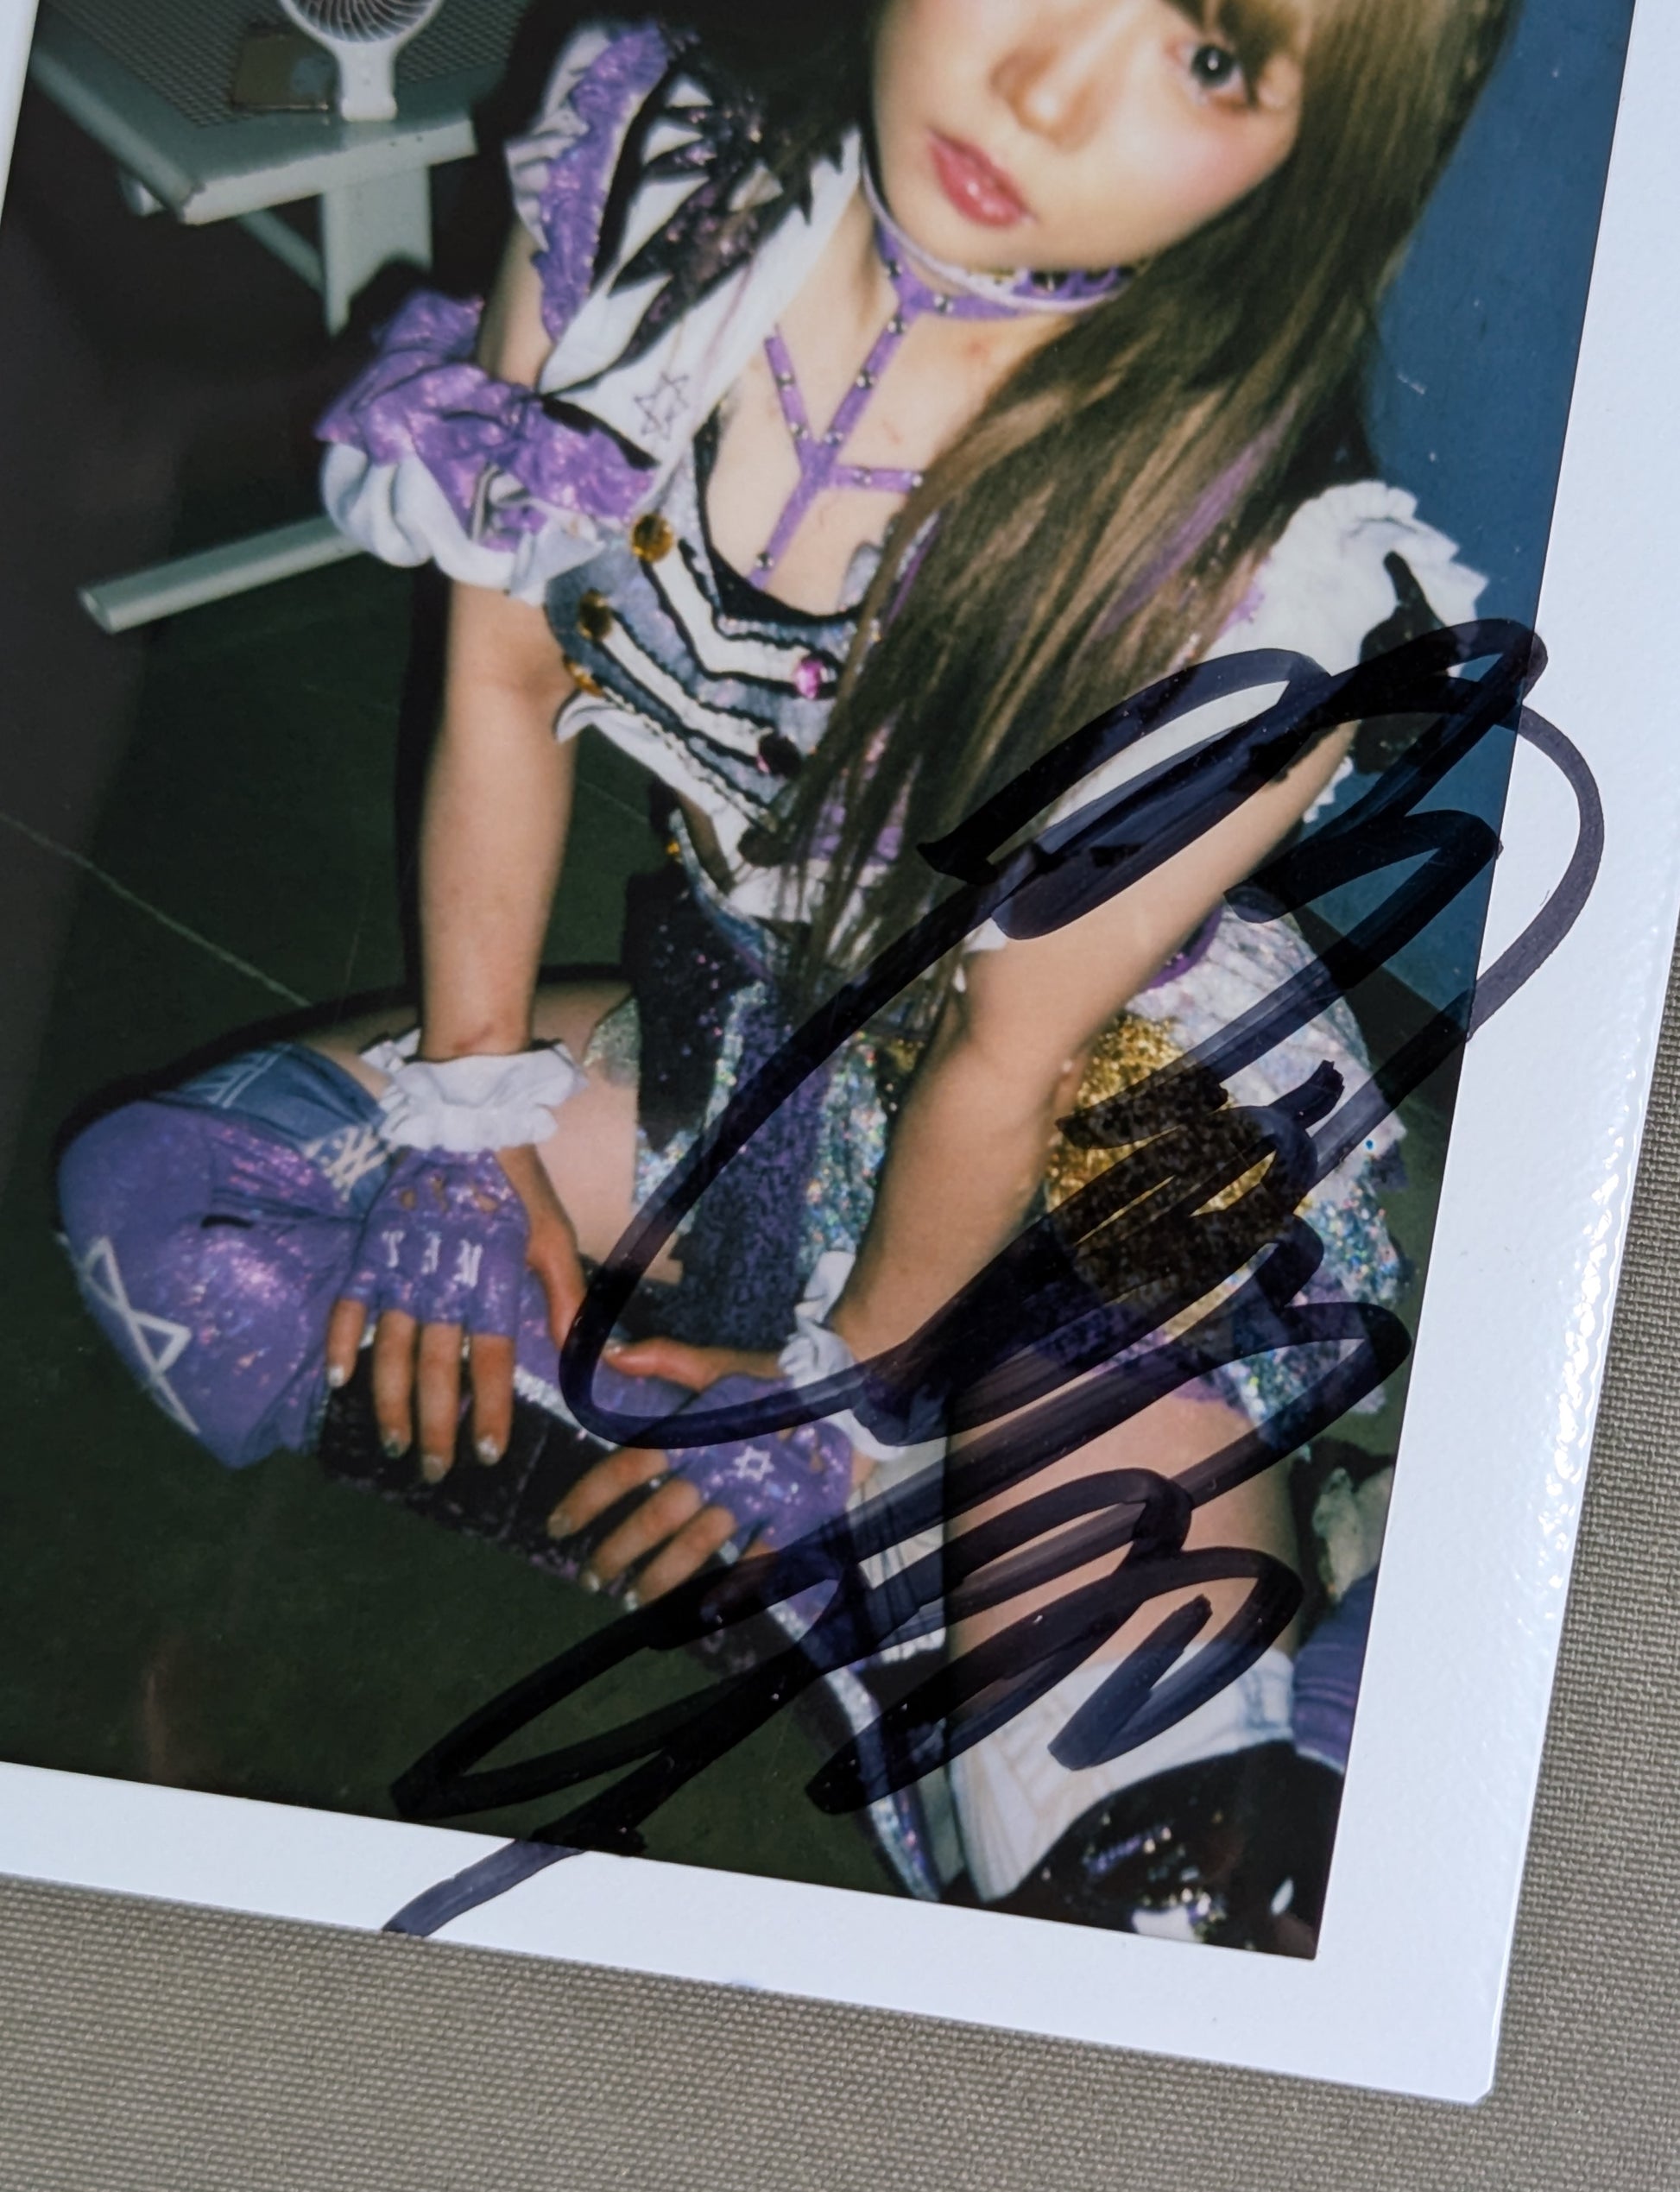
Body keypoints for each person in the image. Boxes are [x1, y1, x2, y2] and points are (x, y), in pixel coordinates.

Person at [58, 0, 1513, 1947]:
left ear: (1308, 153)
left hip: (1091, 1175)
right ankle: (865, 1608)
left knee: (1183, 1922)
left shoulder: (1256, 570)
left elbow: (1005, 1063)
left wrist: (840, 1398)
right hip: (755, 1052)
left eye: (1208, 57)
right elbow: (502, 669)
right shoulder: (655, 182)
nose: (1043, 90)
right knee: (174, 1219)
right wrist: (467, 1132)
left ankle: (1434, 1591)